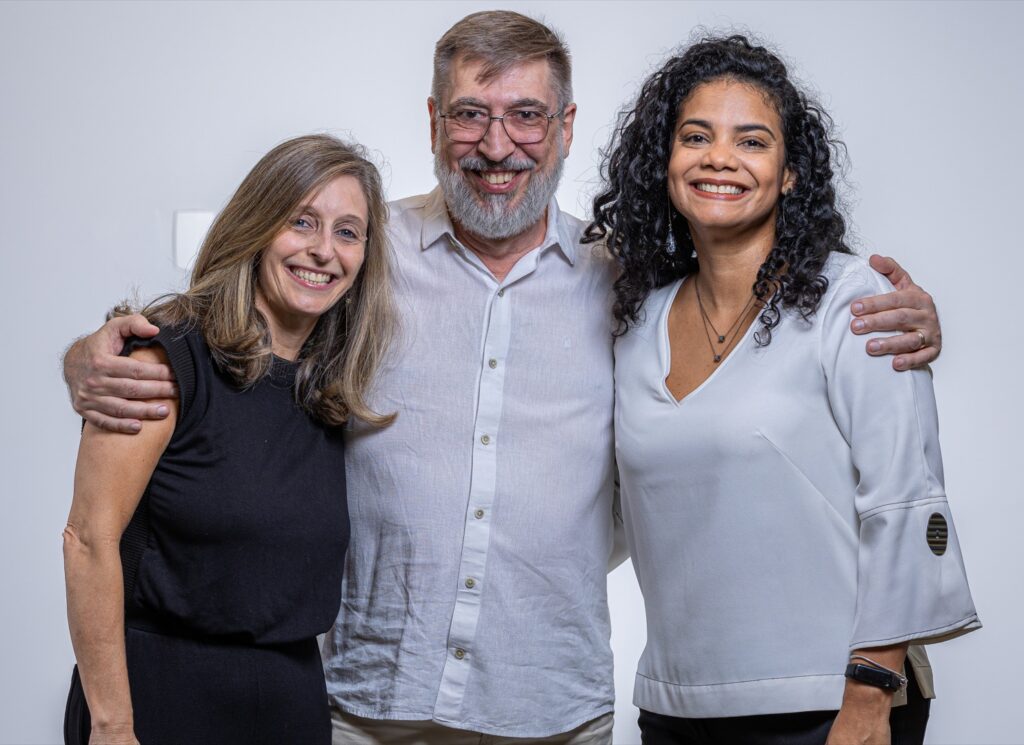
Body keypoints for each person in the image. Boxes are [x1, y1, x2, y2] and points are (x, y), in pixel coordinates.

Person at [61, 13, 946, 744]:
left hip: (550, 706)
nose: (497, 144)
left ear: (565, 129)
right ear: (433, 121)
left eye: (527, 116)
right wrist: (96, 350)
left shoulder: (626, 286)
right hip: (365, 702)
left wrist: (886, 311)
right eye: (470, 115)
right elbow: (236, 320)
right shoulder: (364, 255)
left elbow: (743, 296)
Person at [587, 35, 979, 744]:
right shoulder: (634, 319)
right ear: (664, 160)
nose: (719, 158)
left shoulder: (853, 301)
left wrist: (872, 691)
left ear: (791, 173)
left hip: (834, 703)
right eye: (695, 135)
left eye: (753, 140)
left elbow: (900, 496)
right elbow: (613, 508)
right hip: (676, 707)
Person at [62, 134, 395, 745]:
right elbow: (88, 539)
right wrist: (112, 727)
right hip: (157, 700)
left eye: (348, 232)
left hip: (290, 706)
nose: (324, 251)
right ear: (257, 225)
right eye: (302, 221)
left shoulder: (327, 391)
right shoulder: (167, 358)